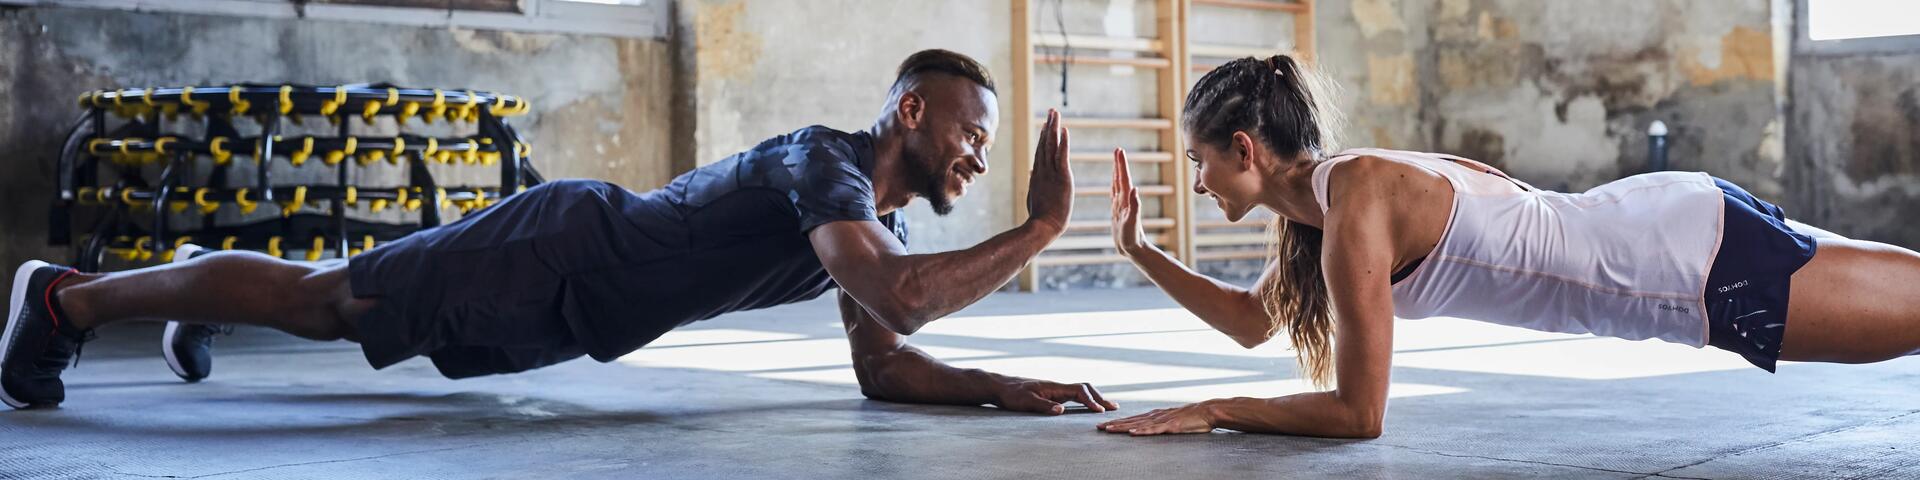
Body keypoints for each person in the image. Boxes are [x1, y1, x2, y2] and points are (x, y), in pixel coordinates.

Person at [4, 49, 1119, 417]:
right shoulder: (825, 166)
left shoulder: (855, 215)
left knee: (345, 307)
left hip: (573, 306)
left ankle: (192, 293)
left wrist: (994, 387)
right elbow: (904, 296)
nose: (978, 155)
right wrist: (1046, 226)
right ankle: (67, 296)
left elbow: (885, 358)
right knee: (330, 303)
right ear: (911, 113)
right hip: (562, 248)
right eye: (973, 131)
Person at [1095, 55, 1919, 438]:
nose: (1198, 182)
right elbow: (1250, 321)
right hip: (1674, 235)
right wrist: (1139, 250)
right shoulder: (1333, 201)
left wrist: (1215, 409)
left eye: (1200, 162)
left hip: (1683, 268)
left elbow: (1358, 415)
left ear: (1244, 149)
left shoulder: (1357, 204)